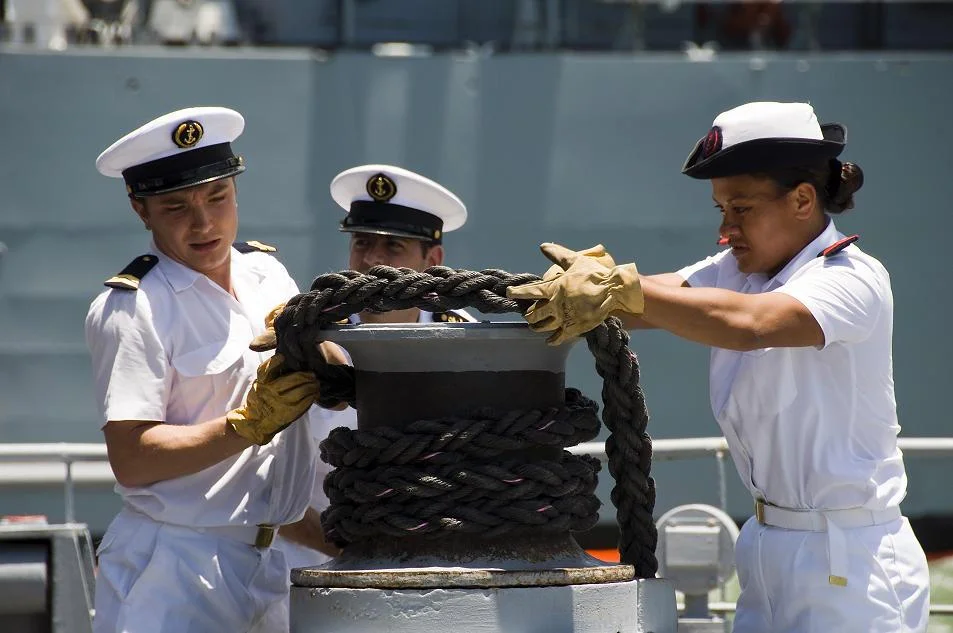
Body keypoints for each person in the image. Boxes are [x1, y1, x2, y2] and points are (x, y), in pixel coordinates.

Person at [508, 101, 930, 632]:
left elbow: (750, 325)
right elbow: (657, 299)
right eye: (721, 211)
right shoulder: (741, 271)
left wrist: (616, 290)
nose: (725, 231)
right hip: (766, 546)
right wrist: (573, 293)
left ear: (803, 199)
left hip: (850, 561)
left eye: (742, 209)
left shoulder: (850, 277)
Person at [86, 106, 337, 633]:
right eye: (176, 206)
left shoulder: (267, 274)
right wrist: (245, 426)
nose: (203, 223)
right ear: (141, 209)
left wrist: (328, 365)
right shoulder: (133, 309)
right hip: (177, 566)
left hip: (273, 562)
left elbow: (324, 371)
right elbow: (131, 459)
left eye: (217, 198)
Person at [271, 163, 476, 571]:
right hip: (317, 573)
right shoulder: (308, 344)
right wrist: (358, 554)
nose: (371, 261)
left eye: (394, 248)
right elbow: (271, 489)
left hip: (438, 568)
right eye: (362, 243)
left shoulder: (468, 344)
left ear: (432, 259)